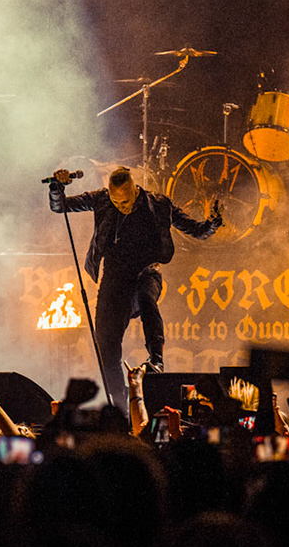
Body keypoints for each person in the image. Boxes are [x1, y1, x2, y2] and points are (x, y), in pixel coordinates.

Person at [49, 165, 220, 412]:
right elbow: (60, 207)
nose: (122, 206)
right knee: (105, 343)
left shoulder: (158, 204)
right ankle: (120, 404)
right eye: (116, 201)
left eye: (126, 201)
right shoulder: (101, 199)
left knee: (146, 298)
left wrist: (213, 222)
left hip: (146, 271)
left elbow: (197, 230)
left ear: (135, 190)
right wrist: (57, 188)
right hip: (114, 279)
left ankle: (156, 360)